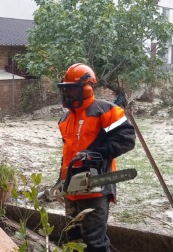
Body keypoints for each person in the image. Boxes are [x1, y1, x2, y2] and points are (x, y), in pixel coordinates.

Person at [56, 64, 136, 252]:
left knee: (93, 240)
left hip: (96, 185)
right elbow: (68, 153)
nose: (67, 93)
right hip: (72, 186)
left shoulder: (105, 110)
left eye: (71, 89)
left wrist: (98, 154)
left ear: (86, 89)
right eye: (65, 89)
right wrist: (61, 180)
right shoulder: (65, 119)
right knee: (73, 238)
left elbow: (126, 138)